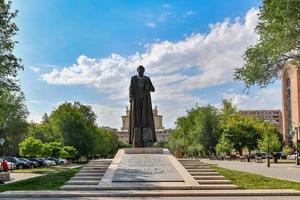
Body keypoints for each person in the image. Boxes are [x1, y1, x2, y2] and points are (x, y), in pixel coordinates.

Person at [129, 65, 157, 147]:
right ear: (137, 70)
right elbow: (131, 88)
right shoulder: (133, 78)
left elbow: (153, 89)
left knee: (145, 118)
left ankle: (147, 138)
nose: (140, 71)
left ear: (144, 71)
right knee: (136, 119)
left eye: (142, 70)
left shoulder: (147, 79)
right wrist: (131, 97)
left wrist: (148, 87)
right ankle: (137, 138)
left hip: (145, 100)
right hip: (136, 100)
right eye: (139, 69)